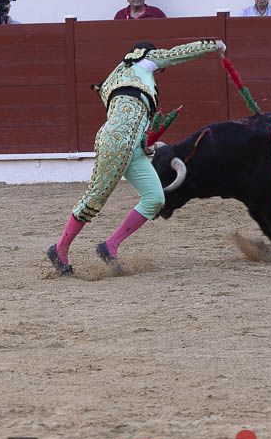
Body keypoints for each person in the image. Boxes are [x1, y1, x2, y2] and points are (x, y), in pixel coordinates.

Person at [47, 38, 225, 274]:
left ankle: (110, 246)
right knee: (96, 198)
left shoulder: (115, 78)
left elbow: (131, 113)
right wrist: (213, 45)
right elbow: (176, 54)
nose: (159, 69)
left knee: (154, 198)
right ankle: (59, 248)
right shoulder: (143, 60)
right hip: (117, 140)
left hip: (133, 146)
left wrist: (145, 145)